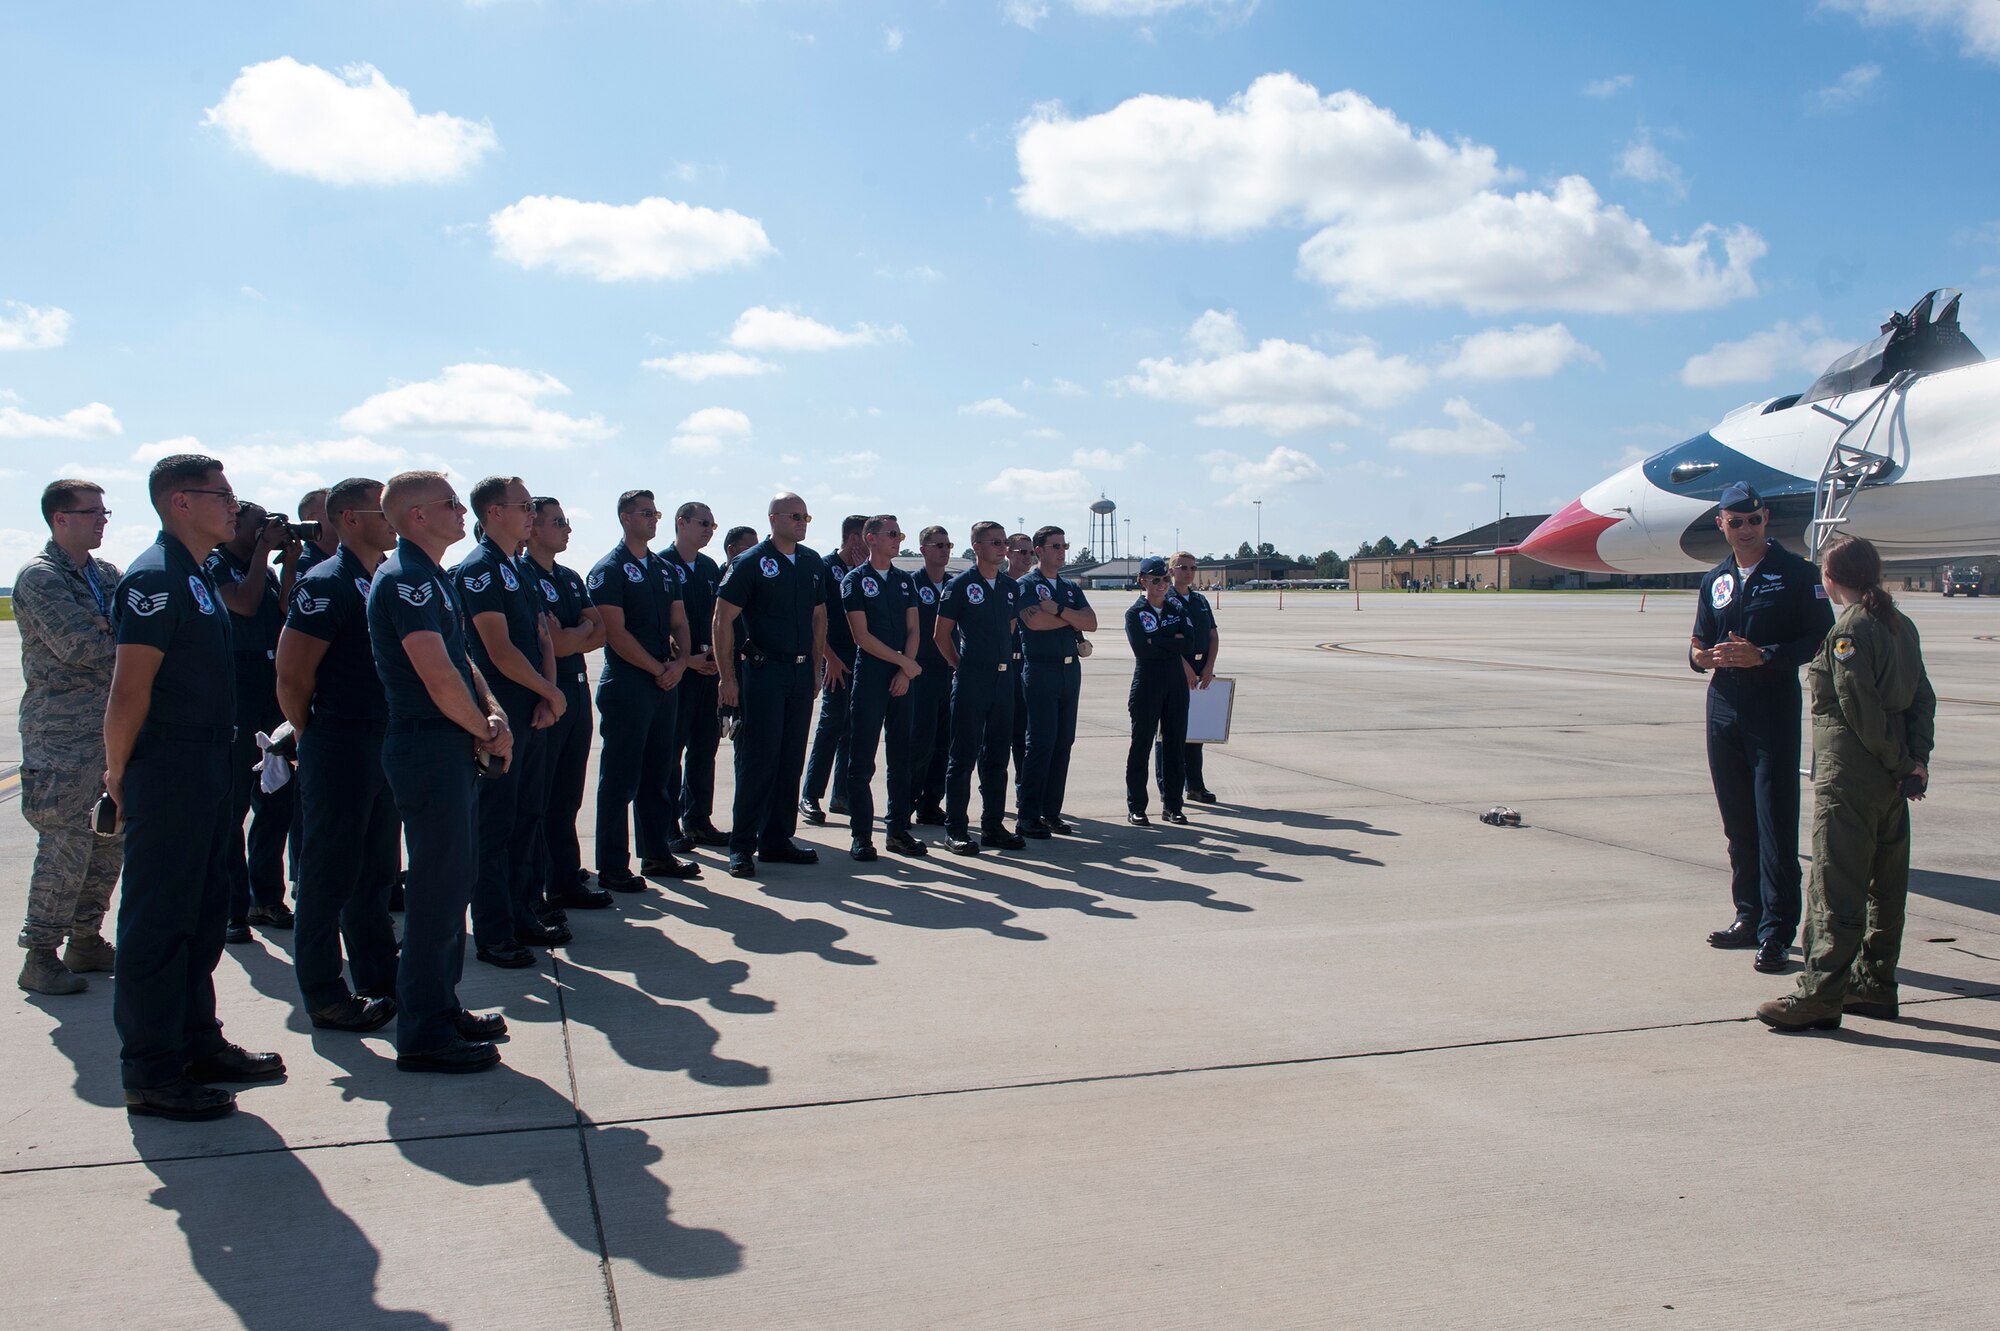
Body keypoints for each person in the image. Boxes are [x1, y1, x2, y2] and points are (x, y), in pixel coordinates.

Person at [106, 453, 283, 1120]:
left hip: (211, 763)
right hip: (170, 769)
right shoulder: (154, 578)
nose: (233, 506)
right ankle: (151, 1070)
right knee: (159, 923)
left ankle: (195, 1041)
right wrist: (119, 771)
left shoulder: (200, 574)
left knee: (204, 913)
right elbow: (129, 692)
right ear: (181, 501)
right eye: (222, 494)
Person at [1757, 537, 1937, 1031]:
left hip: (1854, 776)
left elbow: (1859, 709)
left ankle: (1820, 994)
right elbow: (1923, 697)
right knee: (1885, 885)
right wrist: (1916, 761)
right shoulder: (1900, 625)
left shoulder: (1849, 630)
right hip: (1890, 779)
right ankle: (1874, 984)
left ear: (1831, 578)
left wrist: (1901, 761)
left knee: (1836, 884)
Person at [368, 471, 510, 1074]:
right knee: (434, 893)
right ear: (418, 515)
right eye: (450, 504)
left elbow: (464, 661)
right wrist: (485, 730)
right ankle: (423, 1031)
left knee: (453, 888)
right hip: (428, 746)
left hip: (450, 743)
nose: (461, 511)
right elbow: (435, 674)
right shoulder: (404, 581)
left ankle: (439, 1006)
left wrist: (493, 713)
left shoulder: (433, 578)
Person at [1690, 482, 1835, 974]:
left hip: (1771, 706)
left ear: (1765, 519)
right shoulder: (1716, 580)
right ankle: (1747, 917)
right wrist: (1701, 657)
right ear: (1722, 525)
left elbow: (1820, 638)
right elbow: (1697, 643)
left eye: (1754, 520)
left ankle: (1777, 931)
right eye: (1736, 522)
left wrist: (1766, 656)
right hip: (1723, 707)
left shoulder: (1797, 574)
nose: (1746, 529)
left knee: (1774, 823)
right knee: (1738, 824)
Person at [273, 476, 399, 1032]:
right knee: (327, 879)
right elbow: (292, 675)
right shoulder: (326, 582)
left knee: (375, 875)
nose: (392, 518)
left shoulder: (379, 579)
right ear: (348, 519)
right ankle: (325, 994)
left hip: (381, 742)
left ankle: (379, 980)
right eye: (381, 510)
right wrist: (311, 735)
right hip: (340, 741)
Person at [13, 480, 122, 995]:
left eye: (104, 511)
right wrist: (110, 633)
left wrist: (110, 628)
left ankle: (85, 939)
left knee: (110, 840)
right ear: (60, 518)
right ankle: (40, 953)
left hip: (110, 729)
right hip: (61, 736)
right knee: (65, 845)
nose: (103, 520)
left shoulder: (106, 574)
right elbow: (80, 646)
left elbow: (131, 633)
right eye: (92, 512)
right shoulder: (41, 578)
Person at [458, 476, 570, 968]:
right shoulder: (478, 570)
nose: (530, 512)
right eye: (522, 505)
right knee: (496, 825)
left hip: (534, 711)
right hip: (501, 716)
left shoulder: (517, 568)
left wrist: (548, 694)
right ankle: (494, 930)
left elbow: (543, 636)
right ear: (492, 513)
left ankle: (523, 911)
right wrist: (549, 692)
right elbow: (497, 651)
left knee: (528, 817)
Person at [588, 489, 699, 891]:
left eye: (656, 513)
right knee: (620, 779)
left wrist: (681, 661)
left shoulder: (664, 570)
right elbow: (614, 633)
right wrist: (660, 668)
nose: (653, 519)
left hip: (665, 681)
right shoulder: (609, 569)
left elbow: (680, 621)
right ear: (624, 517)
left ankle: (656, 853)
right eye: (645, 513)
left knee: (658, 773)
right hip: (630, 683)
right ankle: (613, 865)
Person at [715, 493, 825, 877]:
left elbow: (818, 616)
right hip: (763, 674)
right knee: (758, 761)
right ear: (773, 518)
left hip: (799, 674)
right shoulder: (751, 563)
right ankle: (742, 846)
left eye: (806, 516)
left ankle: (777, 839)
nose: (802, 522)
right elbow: (722, 619)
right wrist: (727, 678)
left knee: (790, 759)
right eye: (795, 516)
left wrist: (816, 664)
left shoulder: (811, 562)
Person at [206, 502, 300, 942]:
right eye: (258, 523)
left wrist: (291, 564)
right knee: (232, 808)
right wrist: (262, 553)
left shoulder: (259, 566)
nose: (266, 530)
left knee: (276, 799)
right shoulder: (216, 561)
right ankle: (233, 907)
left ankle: (267, 898)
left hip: (268, 692)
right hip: (236, 695)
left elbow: (283, 614)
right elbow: (241, 605)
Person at [523, 496, 612, 913]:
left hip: (576, 694)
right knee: (537, 801)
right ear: (534, 528)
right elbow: (553, 641)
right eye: (558, 522)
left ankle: (564, 880)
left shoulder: (570, 578)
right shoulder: (521, 576)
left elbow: (602, 630)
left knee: (566, 798)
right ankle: (538, 885)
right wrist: (577, 634)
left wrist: (572, 636)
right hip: (547, 697)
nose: (568, 528)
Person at [934, 520, 1022, 855]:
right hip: (973, 679)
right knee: (963, 756)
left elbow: (1010, 627)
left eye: (1004, 542)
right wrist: (961, 666)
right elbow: (941, 636)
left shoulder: (1009, 587)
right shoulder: (960, 586)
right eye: (995, 542)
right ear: (977, 547)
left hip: (1004, 679)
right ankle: (955, 828)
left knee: (998, 757)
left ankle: (993, 825)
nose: (1002, 548)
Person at [841, 515, 927, 860]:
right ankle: (862, 834)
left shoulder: (905, 581)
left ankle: (898, 830)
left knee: (901, 757)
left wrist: (906, 671)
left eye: (899, 533)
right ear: (871, 538)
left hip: (902, 678)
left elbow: (914, 629)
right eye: (892, 534)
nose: (898, 539)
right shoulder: (855, 581)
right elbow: (861, 636)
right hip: (872, 676)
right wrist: (904, 663)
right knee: (861, 760)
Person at [1015, 525, 1095, 838]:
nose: (1062, 551)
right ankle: (1028, 815)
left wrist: (1059, 610)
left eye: (1064, 545)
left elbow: (1091, 622)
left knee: (1064, 743)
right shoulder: (1026, 585)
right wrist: (1069, 617)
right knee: (1040, 742)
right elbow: (1033, 622)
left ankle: (1051, 812)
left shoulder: (1070, 588)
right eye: (1056, 546)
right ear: (1039, 551)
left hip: (1069, 669)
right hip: (1040, 669)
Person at [660, 501, 728, 851]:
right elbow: (664, 624)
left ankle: (698, 819)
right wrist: (687, 660)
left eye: (712, 526)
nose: (708, 530)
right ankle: (668, 824)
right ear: (681, 522)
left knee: (705, 749)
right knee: (670, 755)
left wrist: (716, 658)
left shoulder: (708, 567)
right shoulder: (661, 565)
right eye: (703, 523)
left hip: (708, 673)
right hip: (678, 675)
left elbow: (718, 617)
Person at [800, 514, 866, 825]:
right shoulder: (825, 568)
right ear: (855, 539)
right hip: (835, 659)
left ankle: (842, 794)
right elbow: (816, 619)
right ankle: (811, 795)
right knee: (831, 725)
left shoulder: (862, 572)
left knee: (852, 729)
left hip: (860, 658)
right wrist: (829, 657)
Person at [1124, 555, 1196, 827]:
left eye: (1165, 579)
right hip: (1147, 684)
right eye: (1155, 580)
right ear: (1142, 581)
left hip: (1175, 684)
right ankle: (1137, 807)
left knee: (1175, 745)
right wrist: (1170, 640)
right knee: (1140, 746)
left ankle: (1173, 805)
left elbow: (1190, 643)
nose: (1162, 584)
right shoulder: (1134, 613)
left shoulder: (1177, 609)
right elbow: (1143, 649)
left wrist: (1158, 639)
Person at [1160, 551, 1220, 803]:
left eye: (1193, 568)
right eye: (1182, 567)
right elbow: (1167, 641)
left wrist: (1208, 667)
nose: (1188, 572)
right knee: (1169, 735)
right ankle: (1167, 789)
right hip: (1175, 671)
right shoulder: (1164, 599)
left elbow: (1213, 635)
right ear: (1171, 571)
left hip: (1200, 671)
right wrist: (1185, 668)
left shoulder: (1200, 601)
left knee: (1196, 732)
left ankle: (1195, 784)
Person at [907, 525, 954, 826]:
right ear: (923, 549)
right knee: (918, 744)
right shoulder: (910, 584)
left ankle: (931, 804)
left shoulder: (956, 584)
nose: (945, 550)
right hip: (920, 674)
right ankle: (906, 802)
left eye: (948, 544)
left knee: (944, 745)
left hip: (949, 672)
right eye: (938, 545)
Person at [295, 487, 338, 573]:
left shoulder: (355, 557)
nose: (342, 514)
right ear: (311, 520)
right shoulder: (303, 564)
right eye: (332, 510)